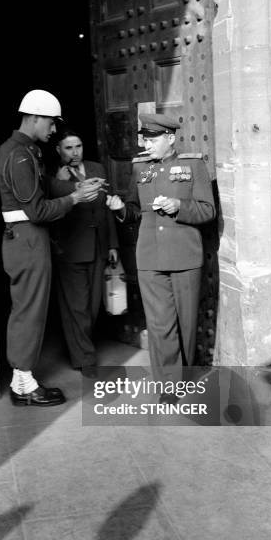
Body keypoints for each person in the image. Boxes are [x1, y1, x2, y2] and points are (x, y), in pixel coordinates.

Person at [0, 90, 104, 406]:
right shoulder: (17, 154)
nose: (54, 131)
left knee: (31, 309)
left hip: (30, 239)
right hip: (27, 237)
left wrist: (76, 186)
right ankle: (23, 383)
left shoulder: (27, 150)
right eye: (51, 123)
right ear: (35, 117)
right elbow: (38, 210)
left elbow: (44, 186)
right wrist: (75, 199)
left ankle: (22, 379)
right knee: (29, 311)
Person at [106, 113, 215, 399]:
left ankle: (185, 376)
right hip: (150, 257)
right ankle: (169, 386)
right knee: (159, 325)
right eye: (145, 138)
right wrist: (119, 208)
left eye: (152, 139)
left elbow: (208, 210)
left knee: (187, 323)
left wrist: (179, 205)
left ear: (170, 138)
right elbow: (133, 209)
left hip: (185, 257)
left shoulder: (193, 165)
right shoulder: (140, 168)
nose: (146, 144)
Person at [49, 128, 119, 375]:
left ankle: (79, 347)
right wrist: (60, 183)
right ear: (58, 150)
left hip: (98, 246)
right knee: (77, 306)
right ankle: (84, 358)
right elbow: (51, 209)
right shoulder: (52, 175)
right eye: (68, 147)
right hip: (70, 248)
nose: (74, 152)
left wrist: (112, 244)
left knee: (92, 306)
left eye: (78, 146)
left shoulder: (97, 168)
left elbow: (106, 208)